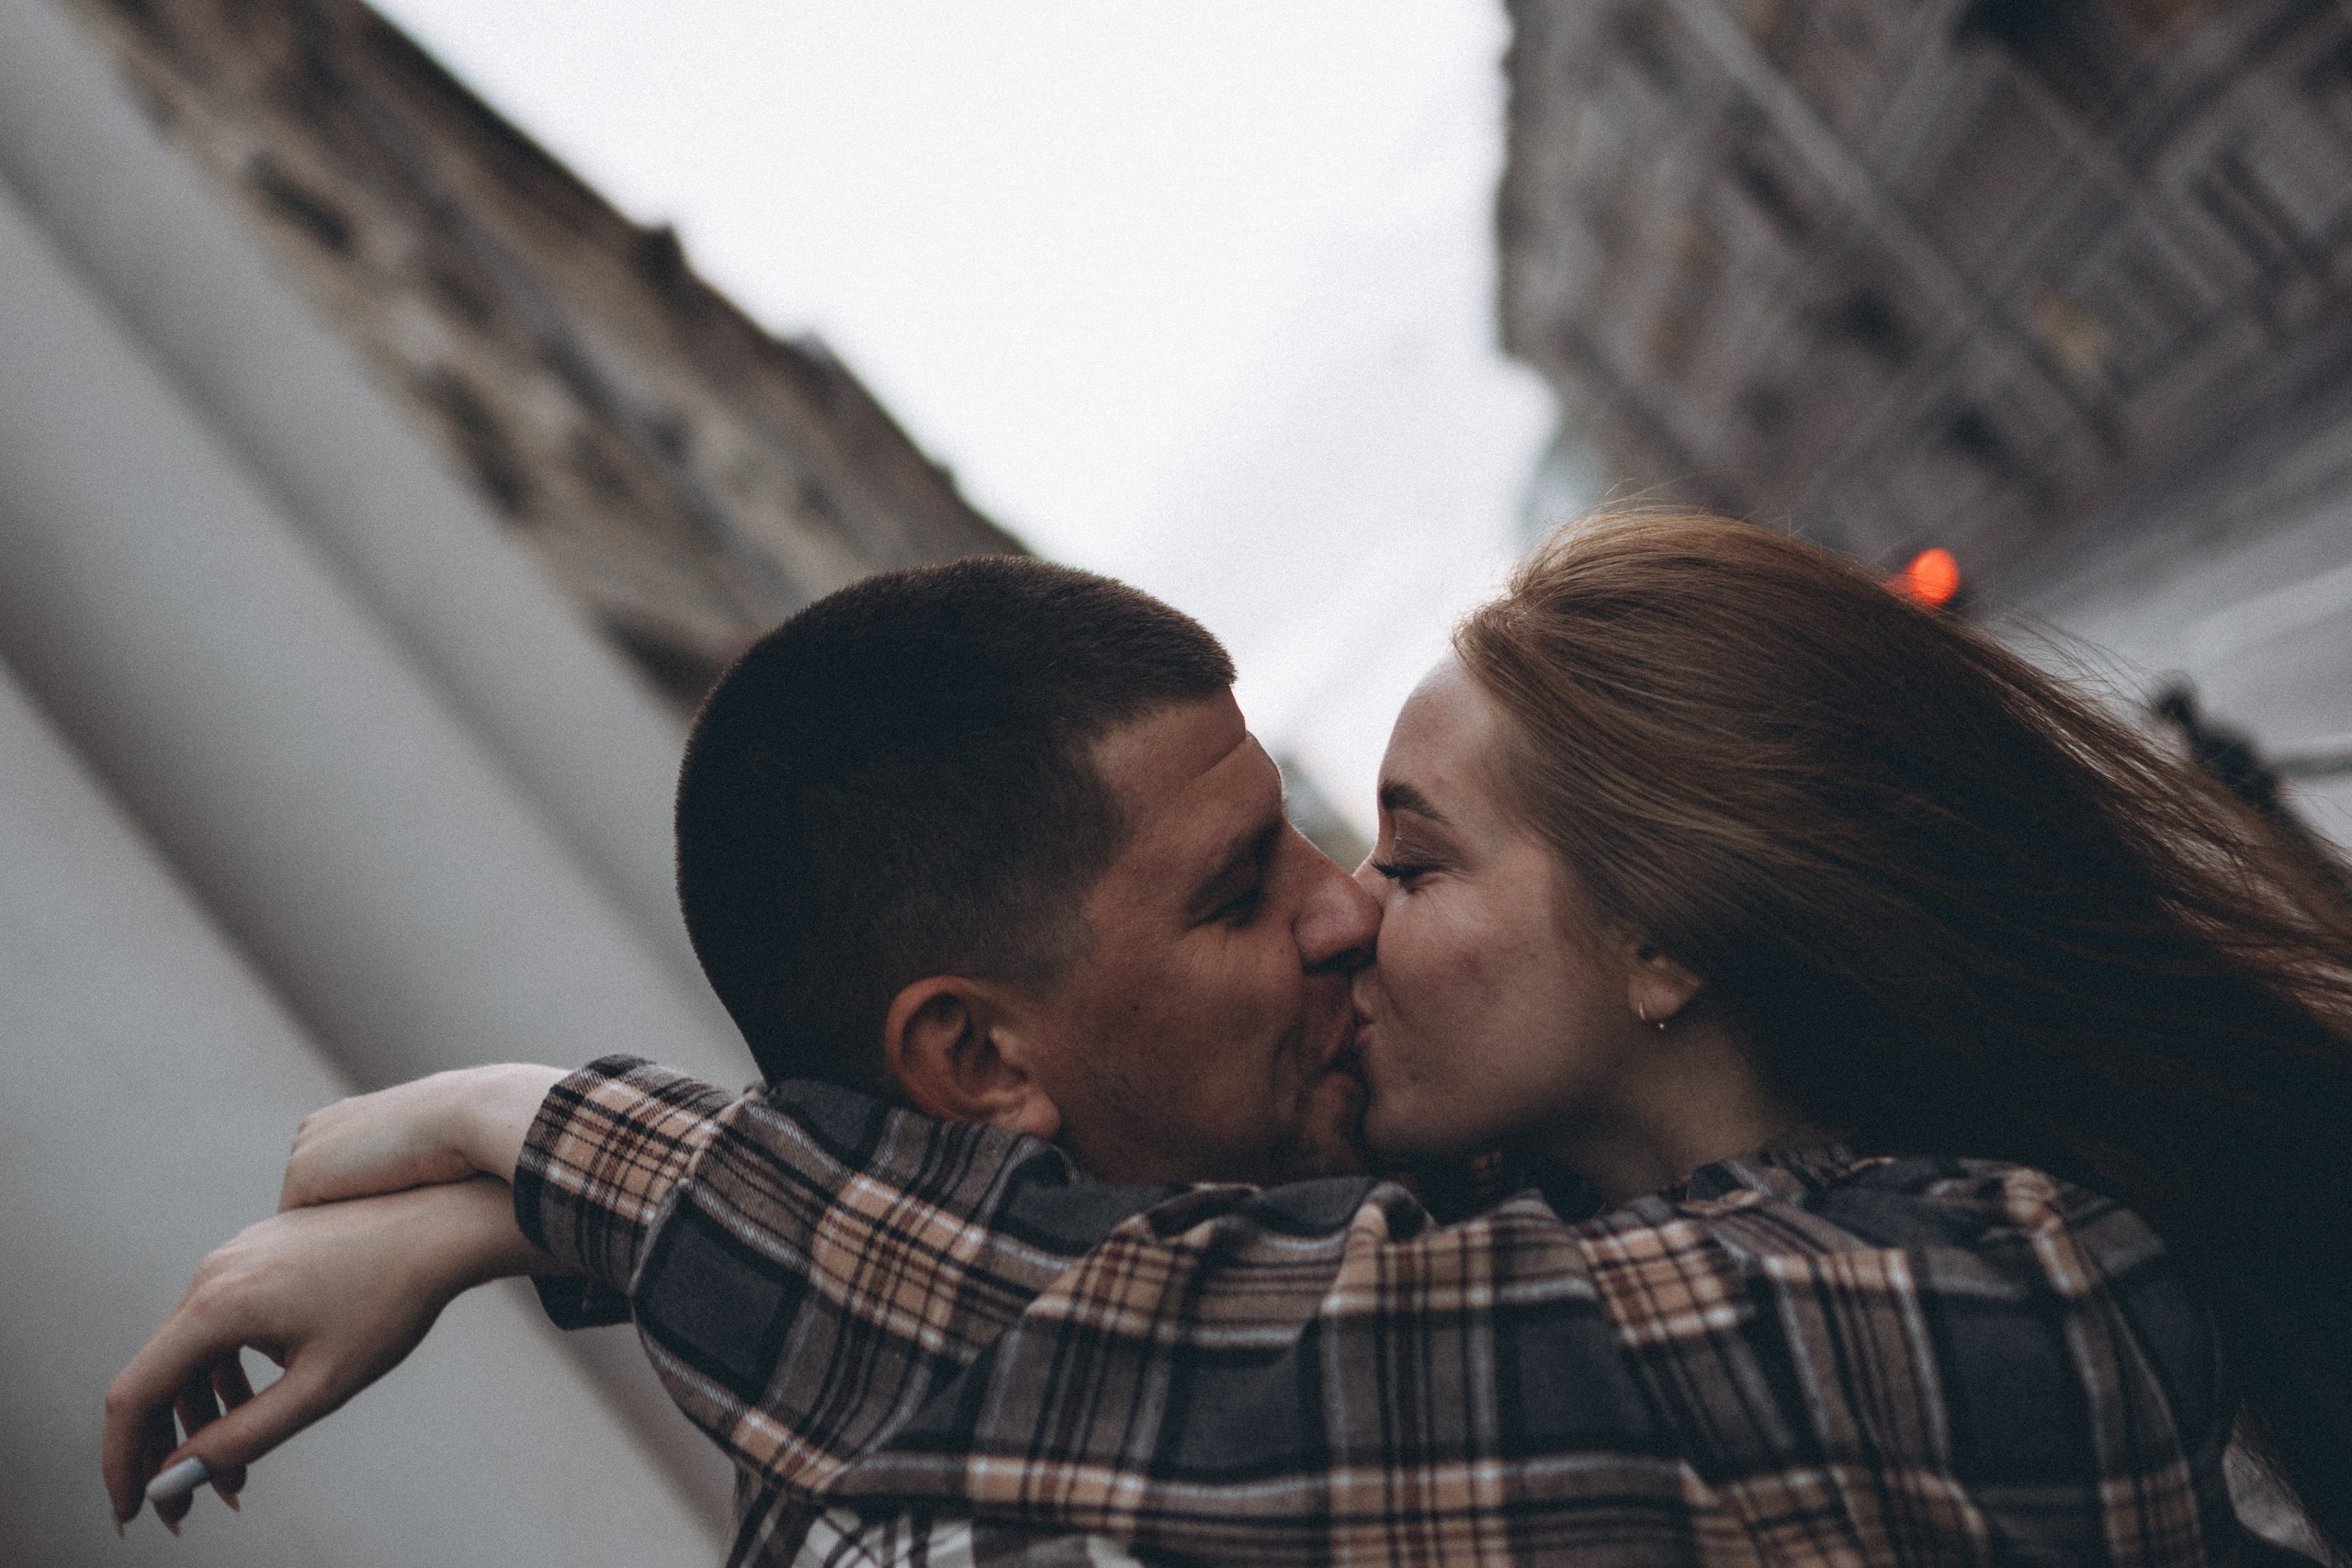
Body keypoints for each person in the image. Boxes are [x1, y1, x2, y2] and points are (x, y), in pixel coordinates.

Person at [110, 513, 2352, 1566]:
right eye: (1235, 884)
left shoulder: (2019, 1285)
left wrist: (534, 1154)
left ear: (1676, 932)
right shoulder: (930, 1484)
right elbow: (1180, 1354)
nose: (1338, 915)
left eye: (1377, 847)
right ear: (974, 1060)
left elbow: (1246, 1360)